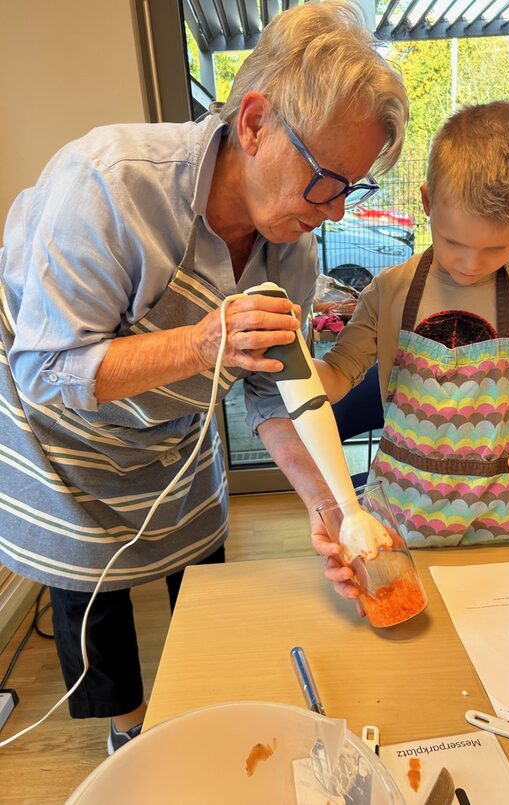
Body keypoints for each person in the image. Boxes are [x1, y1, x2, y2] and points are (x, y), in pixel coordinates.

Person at [0, 0, 408, 752]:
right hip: (65, 427)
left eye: (352, 188)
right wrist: (198, 344)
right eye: (324, 179)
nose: (332, 210)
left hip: (172, 426)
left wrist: (330, 507)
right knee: (94, 583)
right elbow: (45, 369)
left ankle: (203, 693)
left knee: (197, 552)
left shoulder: (290, 247)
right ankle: (127, 731)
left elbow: (271, 393)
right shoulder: (110, 186)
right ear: (253, 122)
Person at [313, 101, 509, 600]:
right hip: (398, 518)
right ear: (427, 201)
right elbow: (339, 374)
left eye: (497, 248)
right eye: (453, 242)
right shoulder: (389, 291)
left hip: (496, 519)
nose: (471, 263)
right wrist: (293, 368)